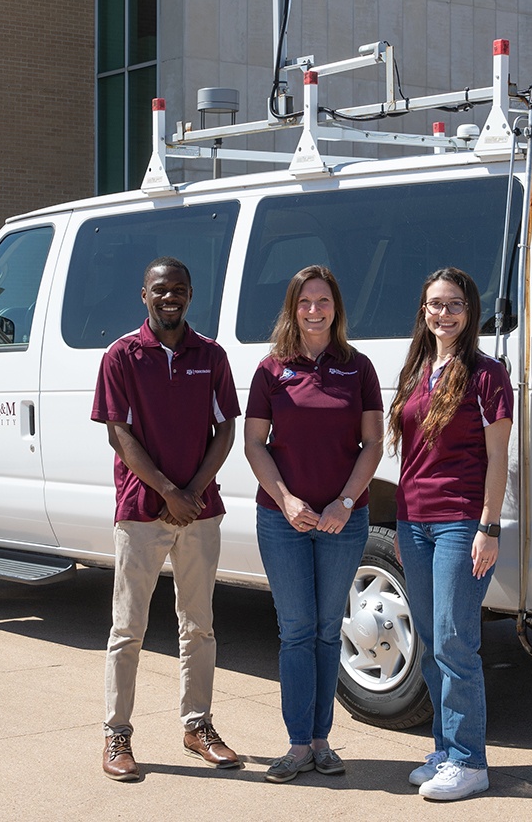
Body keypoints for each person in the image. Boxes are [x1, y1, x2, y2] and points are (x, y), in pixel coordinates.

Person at [90, 256, 242, 782]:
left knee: (199, 627)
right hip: (140, 512)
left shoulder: (212, 356)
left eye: (178, 289)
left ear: (190, 294)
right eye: (160, 290)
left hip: (199, 513)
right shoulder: (122, 357)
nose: (169, 297)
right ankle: (117, 735)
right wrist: (168, 492)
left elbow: (225, 431)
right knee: (127, 629)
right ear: (144, 295)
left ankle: (197, 725)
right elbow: (120, 435)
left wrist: (193, 492)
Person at [244, 265, 384, 783]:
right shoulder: (272, 369)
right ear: (292, 308)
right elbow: (254, 443)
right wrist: (286, 500)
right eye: (305, 302)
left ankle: (323, 742)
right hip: (283, 519)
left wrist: (344, 502)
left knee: (329, 630)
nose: (314, 310)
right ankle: (297, 744)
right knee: (296, 630)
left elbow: (374, 443)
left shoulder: (359, 367)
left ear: (336, 308)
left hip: (342, 519)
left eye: (323, 301)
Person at [387, 267, 512, 802]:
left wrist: (489, 525)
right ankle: (444, 749)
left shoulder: (486, 375)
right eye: (435, 304)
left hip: (462, 521)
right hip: (413, 522)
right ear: (423, 310)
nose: (444, 314)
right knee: (433, 641)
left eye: (454, 305)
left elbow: (499, 457)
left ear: (471, 311)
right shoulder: (417, 370)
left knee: (456, 638)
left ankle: (469, 761)